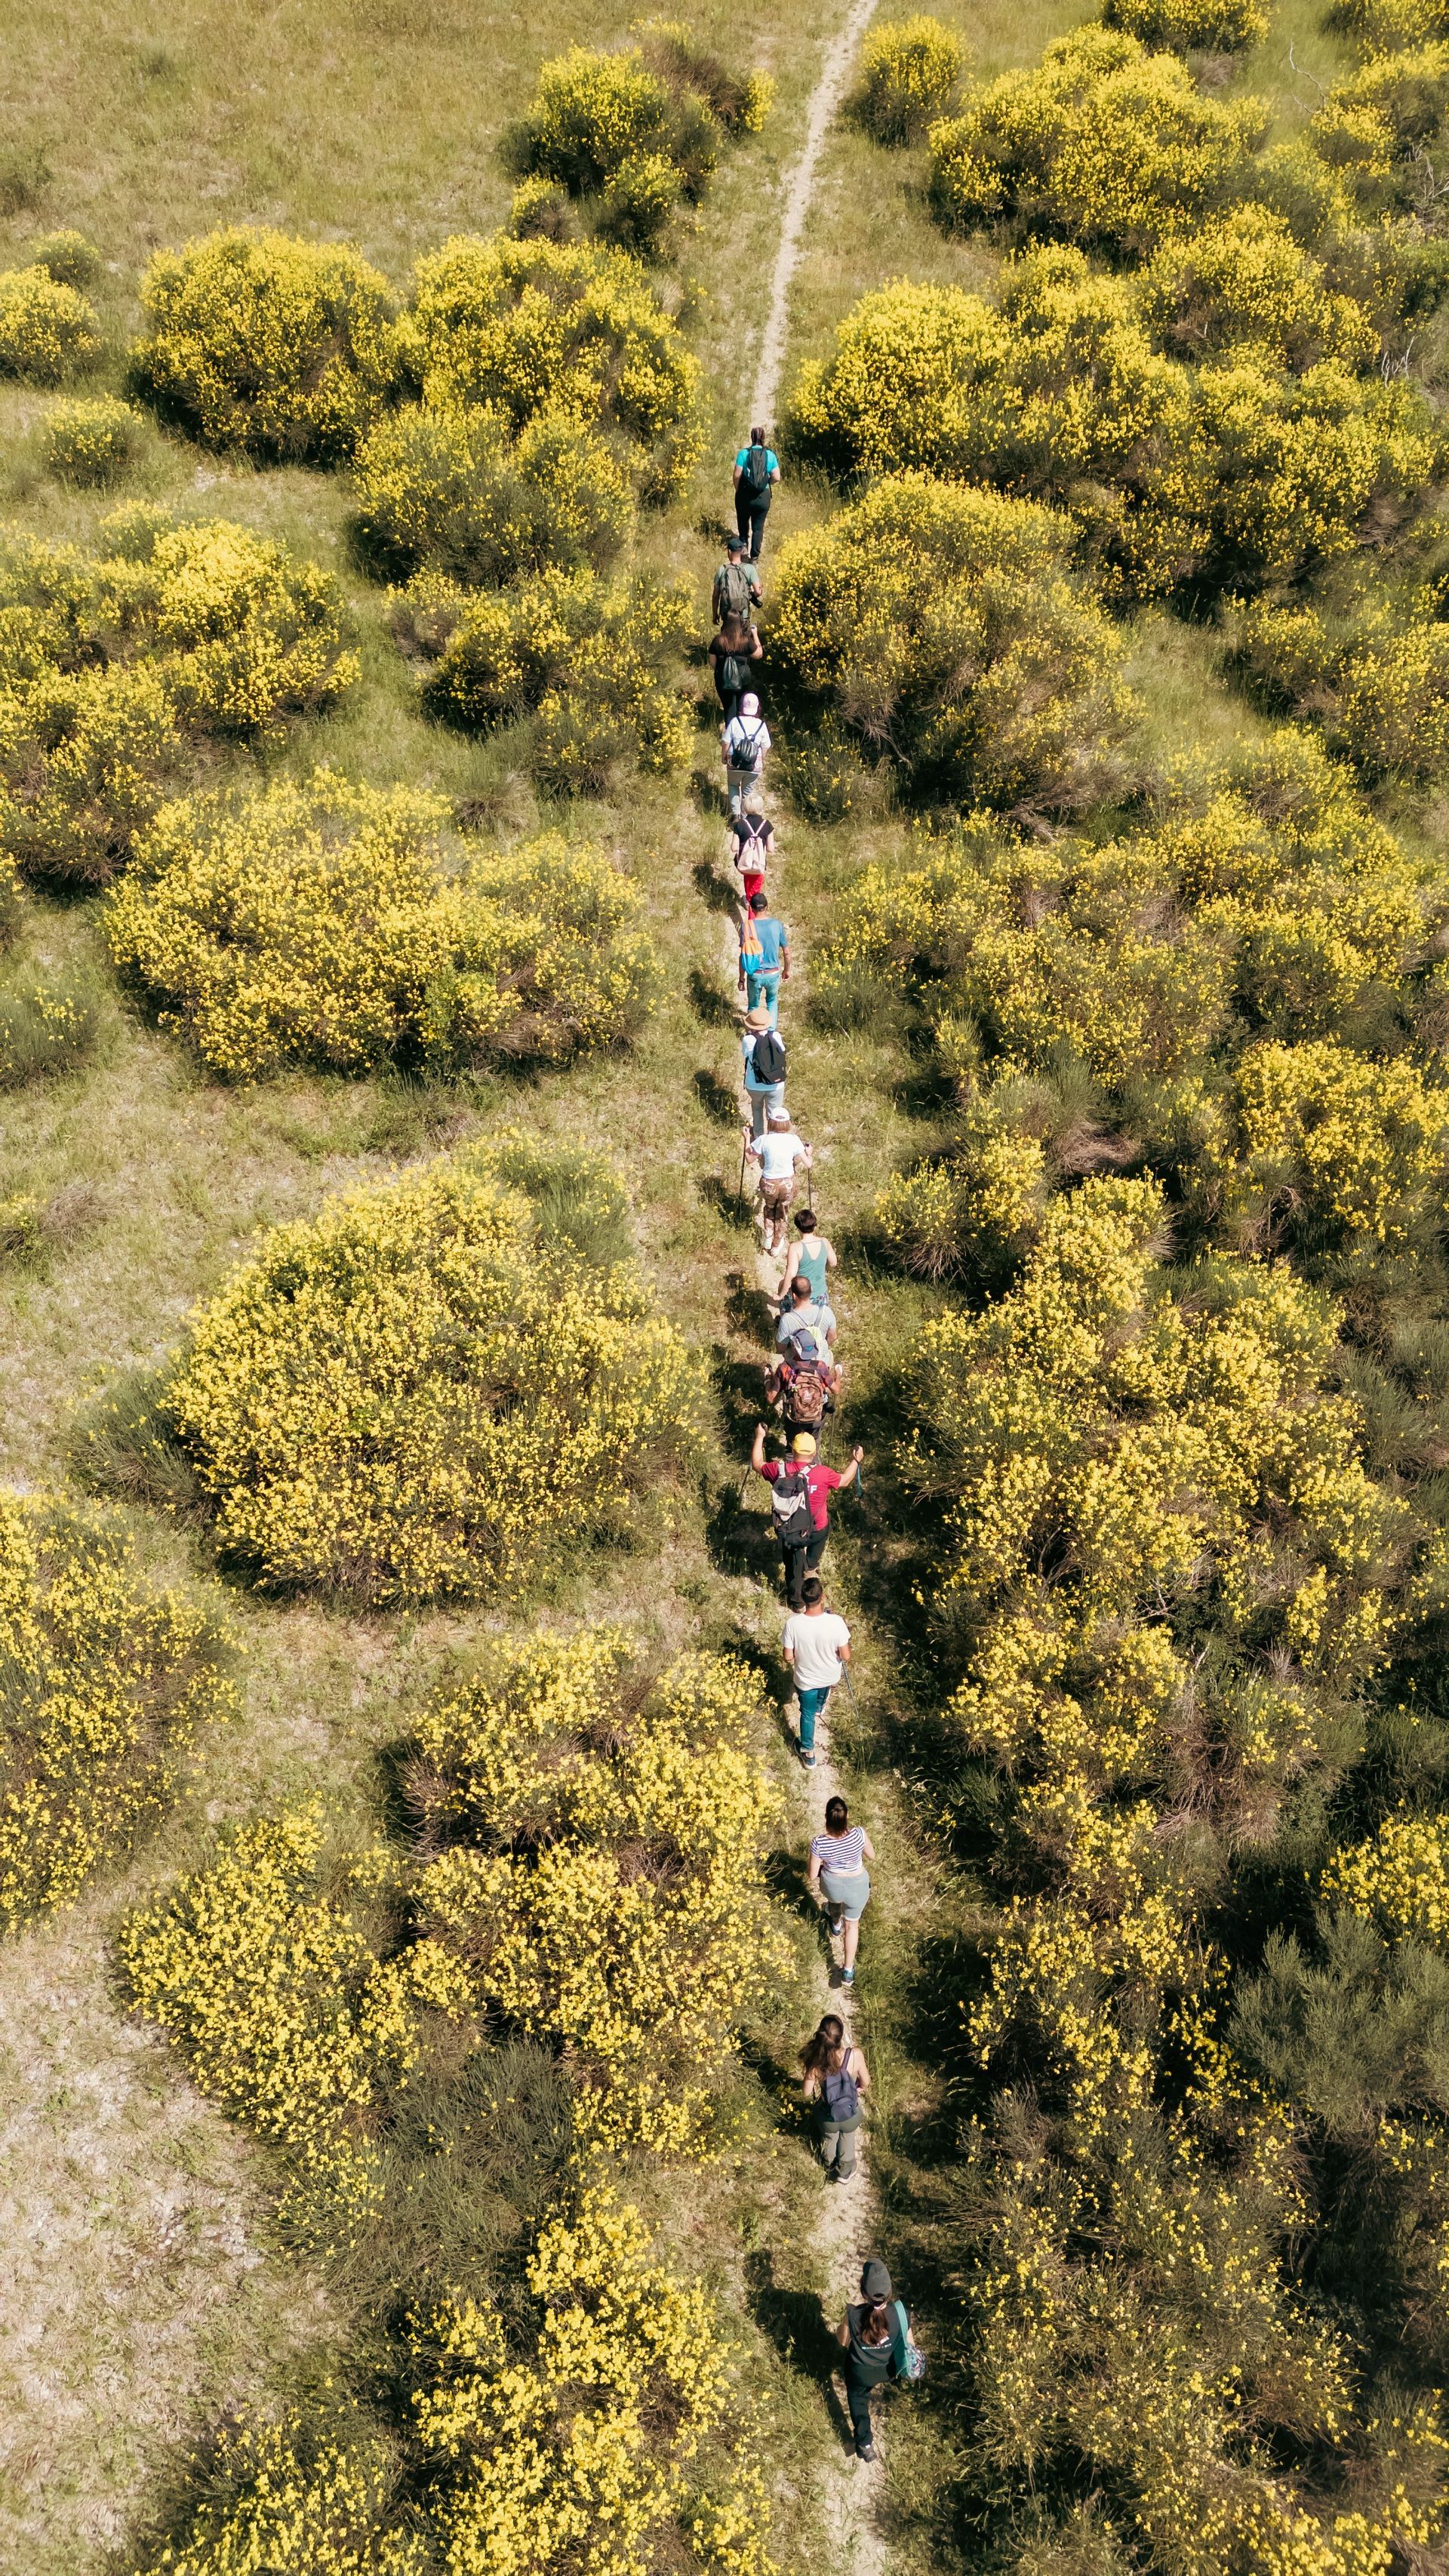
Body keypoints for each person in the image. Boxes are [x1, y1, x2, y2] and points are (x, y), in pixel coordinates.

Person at [752, 1425, 863, 1608]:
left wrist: (759, 1437)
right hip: (817, 1528)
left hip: (791, 1530)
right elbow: (845, 1480)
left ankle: (797, 1603)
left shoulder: (779, 1470)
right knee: (820, 1536)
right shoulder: (823, 1473)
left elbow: (757, 1463)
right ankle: (810, 1567)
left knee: (793, 1568)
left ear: (793, 1451)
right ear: (813, 1454)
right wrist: (856, 1460)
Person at [836, 2261, 916, 2462]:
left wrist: (843, 2325)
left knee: (857, 2399)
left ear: (862, 2289)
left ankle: (865, 2444)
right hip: (888, 2370)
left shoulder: (854, 2315)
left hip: (860, 2373)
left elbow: (843, 2341)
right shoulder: (901, 2313)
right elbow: (910, 2345)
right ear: (890, 2293)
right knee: (865, 2390)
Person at [808, 1793, 875, 1987]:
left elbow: (812, 1875)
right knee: (852, 1926)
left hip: (832, 1887)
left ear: (826, 1818)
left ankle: (835, 1925)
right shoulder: (859, 1833)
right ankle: (847, 1971)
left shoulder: (819, 1842)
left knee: (835, 1902)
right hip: (858, 1887)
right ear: (847, 1817)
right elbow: (872, 1855)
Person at [784, 1576, 852, 1768]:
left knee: (807, 1714)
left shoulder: (793, 1624)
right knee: (823, 1691)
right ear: (823, 1597)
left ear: (804, 1599)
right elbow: (845, 1656)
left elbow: (788, 1657)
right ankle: (820, 1707)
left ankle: (808, 1753)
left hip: (806, 1679)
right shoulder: (837, 1622)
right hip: (829, 1675)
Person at [801, 2012, 869, 2172]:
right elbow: (866, 2082)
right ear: (841, 2036)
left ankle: (828, 2163)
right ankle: (845, 2170)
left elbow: (806, 2092)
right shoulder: (855, 2055)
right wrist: (859, 2086)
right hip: (851, 2113)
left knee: (830, 2137)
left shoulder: (816, 2064)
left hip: (828, 2118)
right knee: (848, 2135)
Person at [746, 1103, 810, 1246]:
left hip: (769, 1183)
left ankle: (767, 1236)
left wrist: (746, 1139)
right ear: (788, 1123)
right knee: (782, 1213)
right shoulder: (793, 1139)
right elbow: (808, 1164)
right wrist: (809, 1153)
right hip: (787, 1183)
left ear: (771, 1122)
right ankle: (776, 1244)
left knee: (769, 1208)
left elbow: (749, 1159)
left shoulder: (764, 1139)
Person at [764, 1328, 839, 1448]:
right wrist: (839, 1374)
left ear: (794, 1347)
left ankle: (791, 1462)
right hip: (816, 1418)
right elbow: (836, 1390)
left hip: (794, 1419)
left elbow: (771, 1398)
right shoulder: (820, 1366)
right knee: (813, 1446)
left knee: (792, 1447)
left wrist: (768, 1378)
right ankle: (813, 1463)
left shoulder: (785, 1368)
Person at [737, 891, 789, 1027]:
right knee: (772, 1001)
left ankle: (754, 1032)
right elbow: (787, 952)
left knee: (753, 1005)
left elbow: (744, 955)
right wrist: (786, 970)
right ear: (767, 907)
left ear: (752, 909)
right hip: (773, 973)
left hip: (754, 974)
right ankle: (771, 1033)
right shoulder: (777, 925)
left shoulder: (746, 926)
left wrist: (742, 978)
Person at [734, 424, 780, 562]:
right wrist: (766, 484)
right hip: (762, 497)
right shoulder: (770, 455)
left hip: (744, 496)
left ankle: (743, 551)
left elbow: (737, 475)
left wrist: (738, 489)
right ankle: (754, 557)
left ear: (751, 438)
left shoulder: (743, 454)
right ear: (764, 438)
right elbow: (777, 477)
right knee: (758, 528)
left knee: (743, 524)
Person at [709, 609, 763, 726]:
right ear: (739, 623)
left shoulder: (717, 641)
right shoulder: (745, 640)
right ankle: (741, 733)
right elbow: (759, 655)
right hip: (743, 679)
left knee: (729, 708)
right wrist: (755, 635)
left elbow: (713, 663)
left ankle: (730, 734)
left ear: (725, 623)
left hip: (723, 680)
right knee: (741, 707)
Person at [740, 1011, 787, 1141]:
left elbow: (745, 1055)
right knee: (773, 1113)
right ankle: (773, 1140)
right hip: (776, 1084)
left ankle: (759, 1137)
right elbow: (783, 1051)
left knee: (756, 1108)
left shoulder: (747, 1039)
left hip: (754, 1084)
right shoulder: (776, 1036)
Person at [723, 692, 771, 817]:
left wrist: (724, 757)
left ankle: (735, 815)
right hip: (754, 765)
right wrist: (761, 759)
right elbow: (766, 745)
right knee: (748, 791)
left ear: (742, 706)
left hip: (735, 762)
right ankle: (745, 818)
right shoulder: (761, 724)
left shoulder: (735, 721)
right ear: (757, 708)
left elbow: (726, 742)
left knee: (733, 784)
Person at [780, 1208, 837, 1310]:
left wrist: (781, 1296)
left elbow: (791, 1274)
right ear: (814, 1225)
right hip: (821, 1296)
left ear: (798, 1228)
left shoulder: (795, 1247)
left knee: (783, 1299)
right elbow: (833, 1263)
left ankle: (783, 1322)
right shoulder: (824, 1242)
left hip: (801, 1297)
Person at [776, 1266, 838, 1353]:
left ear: (794, 1295)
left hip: (798, 1360)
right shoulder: (826, 1312)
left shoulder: (787, 1319)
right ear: (811, 1290)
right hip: (820, 1360)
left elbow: (781, 1348)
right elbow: (833, 1337)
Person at [712, 531, 761, 626]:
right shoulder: (750, 568)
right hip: (744, 615)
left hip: (727, 615)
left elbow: (715, 595)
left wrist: (715, 615)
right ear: (742, 552)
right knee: (746, 637)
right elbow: (758, 592)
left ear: (729, 552)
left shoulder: (722, 570)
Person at [730, 808, 774, 909]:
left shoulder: (740, 824)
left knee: (748, 879)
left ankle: (749, 900)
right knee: (755, 893)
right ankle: (752, 916)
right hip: (759, 865)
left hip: (745, 864)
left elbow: (734, 848)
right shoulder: (767, 824)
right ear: (760, 807)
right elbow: (771, 849)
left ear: (745, 808)